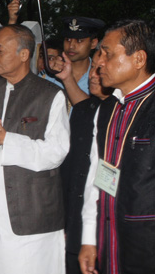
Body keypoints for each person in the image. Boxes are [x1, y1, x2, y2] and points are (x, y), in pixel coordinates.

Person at [0, 24, 70, 274]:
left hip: (32, 211)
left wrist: (7, 139)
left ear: (24, 55)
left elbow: (56, 152)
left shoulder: (50, 94)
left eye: (0, 50)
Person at [79, 20, 155, 274]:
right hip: (108, 237)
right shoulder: (107, 109)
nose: (99, 62)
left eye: (108, 54)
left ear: (139, 59)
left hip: (146, 245)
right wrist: (89, 237)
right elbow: (97, 175)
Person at [60, 51, 113, 274]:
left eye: (100, 72)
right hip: (75, 219)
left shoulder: (122, 113)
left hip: (108, 223)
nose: (93, 76)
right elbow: (69, 169)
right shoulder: (82, 110)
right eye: (93, 70)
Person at [49, 17, 105, 106]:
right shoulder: (49, 74)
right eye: (68, 40)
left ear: (93, 43)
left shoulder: (101, 78)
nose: (71, 46)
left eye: (79, 41)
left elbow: (94, 112)